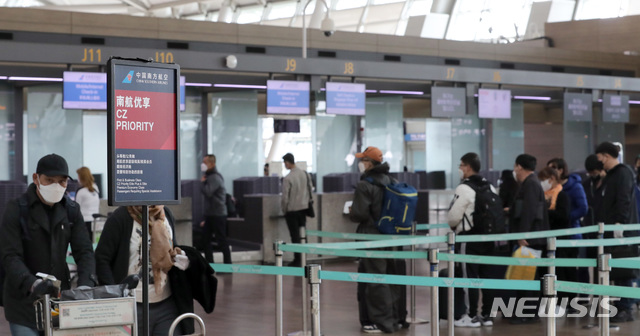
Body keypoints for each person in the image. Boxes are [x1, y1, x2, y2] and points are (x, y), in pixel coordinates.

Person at [0, 154, 97, 335]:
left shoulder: (71, 211)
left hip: (58, 301)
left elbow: (84, 251)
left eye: (61, 181)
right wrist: (32, 283)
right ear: (36, 178)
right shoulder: (17, 209)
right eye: (49, 180)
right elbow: (10, 255)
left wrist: (85, 284)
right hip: (23, 302)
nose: (56, 186)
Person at [95, 205, 205, 335]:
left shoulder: (165, 214)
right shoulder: (121, 216)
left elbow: (171, 248)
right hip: (132, 306)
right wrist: (115, 297)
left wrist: (182, 259)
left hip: (166, 305)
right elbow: (102, 258)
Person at [349, 146, 406, 334]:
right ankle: (395, 318)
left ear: (369, 163)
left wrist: (352, 210)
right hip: (392, 237)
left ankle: (381, 322)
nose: (360, 164)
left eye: (363, 160)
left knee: (375, 280)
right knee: (391, 278)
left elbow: (359, 213)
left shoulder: (365, 185)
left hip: (372, 238)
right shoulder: (393, 181)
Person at [446, 152, 497, 327]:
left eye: (461, 165)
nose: (460, 169)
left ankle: (471, 315)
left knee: (470, 277)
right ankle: (487, 316)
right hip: (489, 238)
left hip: (469, 239)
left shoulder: (464, 188)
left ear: (467, 167)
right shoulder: (490, 186)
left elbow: (453, 217)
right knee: (487, 277)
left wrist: (453, 225)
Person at [594, 142, 639, 323]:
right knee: (615, 270)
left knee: (624, 271)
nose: (599, 162)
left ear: (606, 155)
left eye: (600, 158)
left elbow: (624, 199)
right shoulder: (610, 176)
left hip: (621, 231)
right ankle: (619, 306)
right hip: (610, 231)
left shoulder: (623, 173)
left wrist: (619, 224)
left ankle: (626, 307)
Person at [509, 153, 549, 324]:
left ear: (519, 167)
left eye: (515, 167)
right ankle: (525, 311)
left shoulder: (531, 184)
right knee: (525, 274)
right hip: (531, 236)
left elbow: (530, 210)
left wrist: (523, 233)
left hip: (531, 237)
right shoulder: (531, 182)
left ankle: (528, 312)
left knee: (529, 275)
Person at [538, 167, 575, 305]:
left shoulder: (562, 195)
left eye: (543, 180)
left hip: (560, 241)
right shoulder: (543, 196)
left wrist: (545, 213)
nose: (542, 183)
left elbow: (564, 217)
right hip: (546, 241)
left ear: (551, 179)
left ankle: (564, 302)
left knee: (561, 272)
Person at [281, 153, 313, 267]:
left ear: (287, 162)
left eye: (284, 163)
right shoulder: (305, 174)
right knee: (302, 234)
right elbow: (310, 190)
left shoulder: (288, 178)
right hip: (303, 209)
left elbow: (285, 197)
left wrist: (284, 210)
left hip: (292, 211)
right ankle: (303, 257)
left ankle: (297, 259)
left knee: (294, 236)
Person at [201, 154, 231, 264]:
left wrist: (203, 183)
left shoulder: (214, 177)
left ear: (212, 164)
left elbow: (208, 192)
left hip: (218, 214)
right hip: (211, 214)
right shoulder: (210, 176)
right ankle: (210, 264)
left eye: (205, 162)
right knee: (206, 240)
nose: (203, 165)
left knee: (221, 241)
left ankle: (228, 266)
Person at [547, 158, 588, 239]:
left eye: (552, 169)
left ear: (561, 170)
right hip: (555, 230)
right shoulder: (550, 188)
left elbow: (583, 208)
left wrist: (567, 218)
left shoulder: (575, 186)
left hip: (572, 230)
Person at [75, 166, 100, 237]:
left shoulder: (81, 191)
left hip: (84, 221)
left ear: (81, 177)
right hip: (95, 221)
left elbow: (76, 208)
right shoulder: (96, 188)